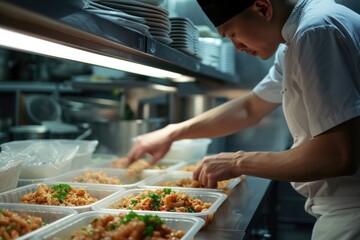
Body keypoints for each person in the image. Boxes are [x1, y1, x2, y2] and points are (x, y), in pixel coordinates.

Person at [125, 0, 360, 239]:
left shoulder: (315, 31)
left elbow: (336, 156)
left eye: (232, 34)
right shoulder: (293, 41)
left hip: (352, 212)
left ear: (263, 8)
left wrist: (238, 162)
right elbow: (250, 107)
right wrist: (173, 132)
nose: (237, 47)